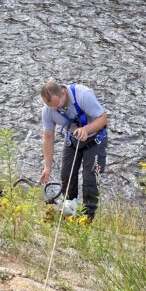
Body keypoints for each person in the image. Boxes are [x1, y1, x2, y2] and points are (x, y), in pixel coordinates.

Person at [38, 80, 109, 220]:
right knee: (67, 175)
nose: (54, 109)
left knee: (90, 179)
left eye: (56, 105)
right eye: (50, 106)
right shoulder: (48, 110)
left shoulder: (83, 95)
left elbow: (103, 119)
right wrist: (47, 167)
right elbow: (48, 137)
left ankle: (88, 218)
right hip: (73, 139)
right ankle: (70, 210)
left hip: (95, 139)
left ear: (63, 93)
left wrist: (86, 129)